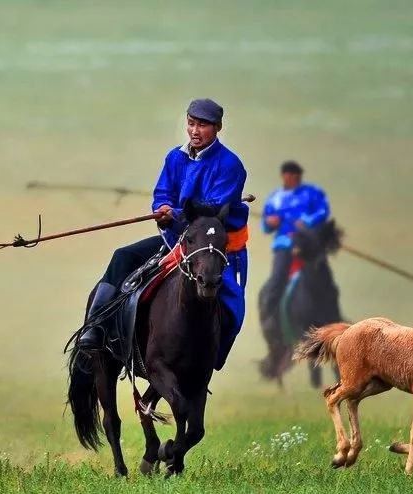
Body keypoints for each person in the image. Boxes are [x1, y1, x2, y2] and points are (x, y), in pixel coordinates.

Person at [76, 98, 249, 371]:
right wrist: (162, 207)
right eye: (191, 123)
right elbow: (162, 192)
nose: (194, 130)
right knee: (122, 256)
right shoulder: (175, 157)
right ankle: (95, 329)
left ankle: (208, 360)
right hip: (178, 240)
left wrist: (177, 213)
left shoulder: (230, 165)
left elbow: (213, 210)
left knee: (234, 306)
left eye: (202, 125)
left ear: (217, 127)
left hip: (215, 248)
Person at [259, 160, 330, 317]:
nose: (295, 178)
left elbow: (322, 211)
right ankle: (269, 316)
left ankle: (334, 312)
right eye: (291, 175)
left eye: (297, 175)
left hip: (309, 244)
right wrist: (270, 222)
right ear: (284, 176)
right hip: (285, 245)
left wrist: (306, 221)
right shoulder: (275, 198)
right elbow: (265, 225)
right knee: (277, 278)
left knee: (325, 279)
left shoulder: (312, 193)